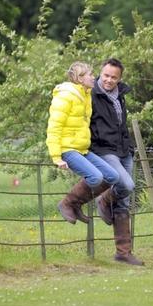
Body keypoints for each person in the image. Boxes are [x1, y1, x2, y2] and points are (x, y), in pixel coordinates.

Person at [46, 61, 119, 224]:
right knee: (95, 177)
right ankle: (67, 203)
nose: (94, 77)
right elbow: (54, 126)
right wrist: (56, 157)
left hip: (82, 149)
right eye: (90, 75)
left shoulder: (85, 95)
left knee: (112, 176)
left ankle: (76, 205)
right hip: (67, 149)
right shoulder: (65, 96)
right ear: (80, 78)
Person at [90, 58, 144, 265]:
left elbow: (121, 125)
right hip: (104, 150)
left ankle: (123, 253)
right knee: (126, 185)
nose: (109, 80)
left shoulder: (120, 95)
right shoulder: (91, 95)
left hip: (124, 150)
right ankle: (103, 200)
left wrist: (128, 148)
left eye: (114, 77)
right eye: (106, 75)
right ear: (100, 73)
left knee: (124, 201)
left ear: (120, 78)